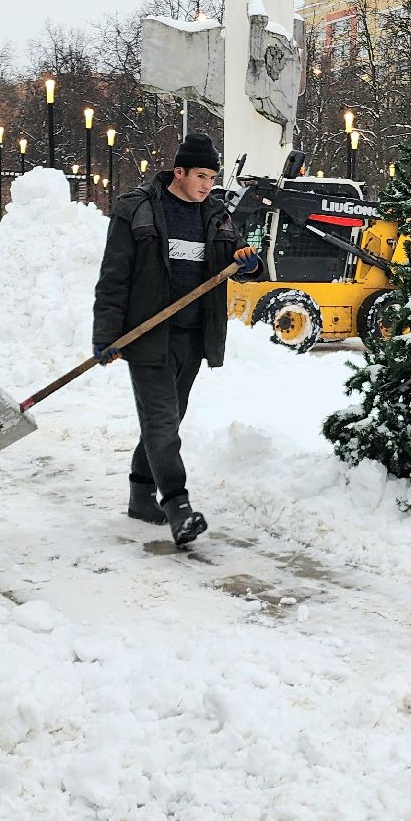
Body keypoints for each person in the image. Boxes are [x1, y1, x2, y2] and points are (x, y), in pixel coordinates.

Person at [92, 132, 263, 548]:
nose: (207, 184)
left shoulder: (217, 215)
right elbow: (114, 278)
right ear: (179, 171)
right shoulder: (139, 210)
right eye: (201, 176)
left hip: (192, 335)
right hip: (149, 334)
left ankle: (139, 493)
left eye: (212, 177)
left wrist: (246, 263)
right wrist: (105, 334)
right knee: (162, 423)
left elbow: (237, 260)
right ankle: (177, 506)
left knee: (168, 419)